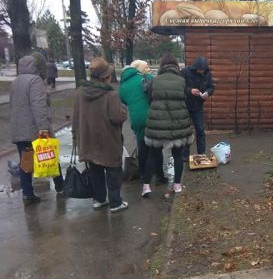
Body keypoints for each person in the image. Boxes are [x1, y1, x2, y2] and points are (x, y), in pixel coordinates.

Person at [72, 57, 129, 212]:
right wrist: (123, 108)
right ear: (105, 77)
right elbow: (118, 116)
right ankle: (115, 203)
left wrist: (76, 137)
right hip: (108, 140)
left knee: (95, 170)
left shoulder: (80, 93)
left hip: (88, 139)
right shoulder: (110, 95)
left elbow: (75, 116)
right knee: (113, 171)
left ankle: (98, 199)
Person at [10, 52, 64, 205]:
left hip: (19, 128)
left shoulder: (16, 81)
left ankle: (27, 194)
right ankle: (61, 185)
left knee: (25, 162)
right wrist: (43, 128)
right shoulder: (35, 81)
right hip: (34, 128)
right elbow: (39, 106)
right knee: (50, 156)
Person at [144, 54, 193, 194]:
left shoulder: (154, 81)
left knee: (153, 154)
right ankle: (177, 185)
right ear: (176, 66)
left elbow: (149, 100)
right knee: (177, 154)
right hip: (177, 121)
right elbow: (184, 98)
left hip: (157, 122)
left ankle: (146, 186)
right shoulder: (181, 81)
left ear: (161, 66)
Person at [119, 59, 165, 197]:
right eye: (146, 67)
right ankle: (159, 176)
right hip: (152, 117)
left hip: (136, 120)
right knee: (156, 148)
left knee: (142, 147)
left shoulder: (123, 86)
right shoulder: (147, 78)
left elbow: (123, 101)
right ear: (138, 69)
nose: (148, 69)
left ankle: (144, 175)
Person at [182, 56, 214, 158]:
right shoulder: (185, 72)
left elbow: (211, 87)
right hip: (185, 106)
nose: (202, 72)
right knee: (185, 131)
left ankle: (201, 154)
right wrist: (190, 91)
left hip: (198, 106)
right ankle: (184, 155)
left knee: (200, 130)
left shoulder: (207, 74)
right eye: (200, 70)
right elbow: (179, 86)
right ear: (195, 67)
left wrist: (207, 93)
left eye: (203, 70)